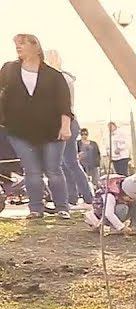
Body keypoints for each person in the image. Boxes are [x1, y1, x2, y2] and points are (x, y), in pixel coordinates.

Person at [0, 34, 73, 220]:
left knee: (53, 170)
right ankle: (35, 209)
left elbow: (64, 104)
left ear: (35, 46)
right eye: (16, 44)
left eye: (22, 43)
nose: (18, 47)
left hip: (52, 130)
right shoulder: (9, 69)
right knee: (31, 171)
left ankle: (62, 207)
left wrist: (65, 127)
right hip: (19, 131)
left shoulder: (54, 76)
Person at [45, 50, 95, 207]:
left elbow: (63, 103)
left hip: (66, 123)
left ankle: (86, 196)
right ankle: (73, 196)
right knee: (66, 162)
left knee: (69, 162)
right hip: (60, 123)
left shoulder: (63, 78)